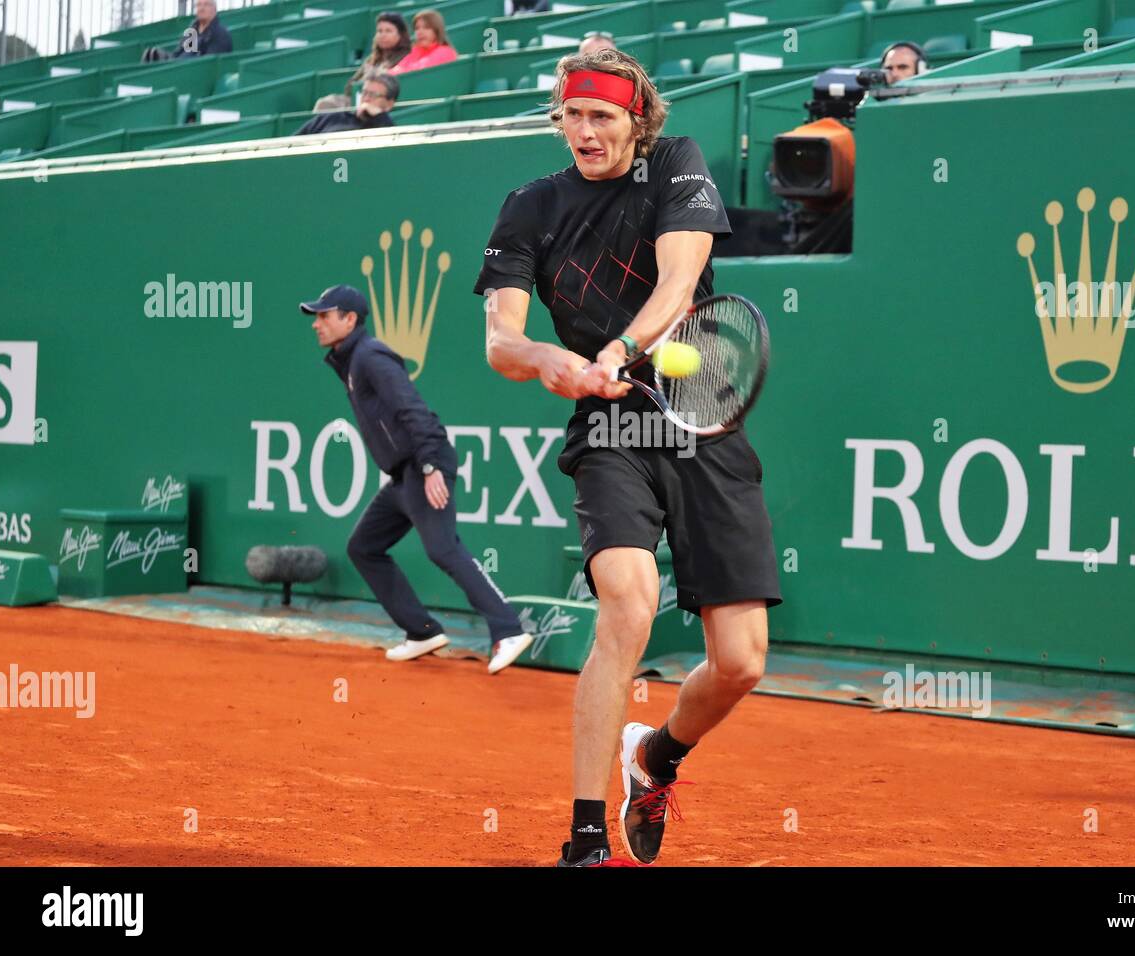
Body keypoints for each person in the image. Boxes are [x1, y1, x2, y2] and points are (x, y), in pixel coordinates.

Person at [477, 49, 781, 866]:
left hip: (702, 419)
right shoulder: (530, 206)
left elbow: (680, 282)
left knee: (742, 662)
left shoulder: (675, 168)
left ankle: (657, 757)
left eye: (603, 117)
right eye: (573, 115)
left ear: (637, 121)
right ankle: (583, 838)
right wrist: (546, 359)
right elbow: (500, 337)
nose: (585, 131)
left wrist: (617, 345)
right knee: (628, 605)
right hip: (611, 431)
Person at [301, 284, 533, 673]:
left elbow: (414, 410)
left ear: (350, 319)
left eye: (325, 315)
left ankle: (508, 629)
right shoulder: (351, 360)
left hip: (423, 464)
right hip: (402, 474)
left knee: (443, 549)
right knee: (364, 546)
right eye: (317, 316)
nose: (317, 324)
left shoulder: (370, 357)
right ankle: (422, 631)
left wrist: (429, 468)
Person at [295, 74, 397, 136]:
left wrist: (379, 116)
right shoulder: (331, 118)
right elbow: (291, 143)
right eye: (364, 93)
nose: (366, 99)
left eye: (373, 95)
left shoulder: (386, 128)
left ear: (389, 104)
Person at [344, 12, 413, 101]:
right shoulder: (371, 59)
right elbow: (350, 86)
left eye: (388, 31)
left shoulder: (406, 56)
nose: (383, 35)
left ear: (400, 34)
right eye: (379, 31)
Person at [142, 0, 232, 62]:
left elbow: (209, 63)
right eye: (199, 5)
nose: (201, 8)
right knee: (151, 54)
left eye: (206, 4)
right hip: (180, 65)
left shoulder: (221, 34)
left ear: (214, 9)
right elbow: (178, 53)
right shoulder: (191, 31)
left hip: (195, 71)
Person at [390, 10, 459, 75]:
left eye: (426, 27)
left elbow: (419, 69)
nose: (420, 32)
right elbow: (397, 69)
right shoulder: (416, 50)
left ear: (437, 30)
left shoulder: (446, 51)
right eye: (417, 28)